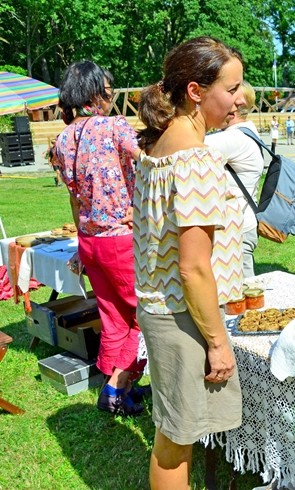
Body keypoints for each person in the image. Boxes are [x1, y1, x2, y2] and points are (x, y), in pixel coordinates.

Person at [135, 36, 245, 488]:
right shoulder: (196, 160)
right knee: (176, 438)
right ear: (196, 91)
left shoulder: (162, 146)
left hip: (165, 310)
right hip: (182, 316)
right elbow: (193, 267)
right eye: (232, 88)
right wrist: (218, 342)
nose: (241, 98)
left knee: (174, 431)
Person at [52, 60, 147, 416]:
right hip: (121, 239)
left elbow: (74, 199)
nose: (111, 97)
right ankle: (115, 386)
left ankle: (119, 387)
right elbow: (150, 163)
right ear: (96, 93)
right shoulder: (113, 126)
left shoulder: (62, 138)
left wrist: (80, 241)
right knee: (144, 314)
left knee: (112, 316)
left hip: (91, 242)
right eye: (109, 90)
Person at [205, 81, 263, 278]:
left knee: (242, 297)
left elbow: (187, 145)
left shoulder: (234, 139)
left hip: (236, 229)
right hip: (243, 224)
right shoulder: (248, 132)